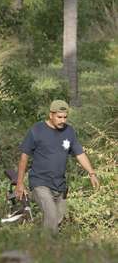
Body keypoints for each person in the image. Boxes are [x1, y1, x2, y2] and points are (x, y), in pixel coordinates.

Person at [15, 100, 100, 233]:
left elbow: (80, 154)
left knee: (57, 220)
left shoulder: (69, 131)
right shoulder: (37, 130)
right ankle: (49, 251)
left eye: (65, 117)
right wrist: (20, 183)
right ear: (51, 115)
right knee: (51, 216)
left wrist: (92, 173)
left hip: (60, 185)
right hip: (40, 182)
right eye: (59, 117)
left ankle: (43, 247)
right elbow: (24, 157)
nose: (62, 120)